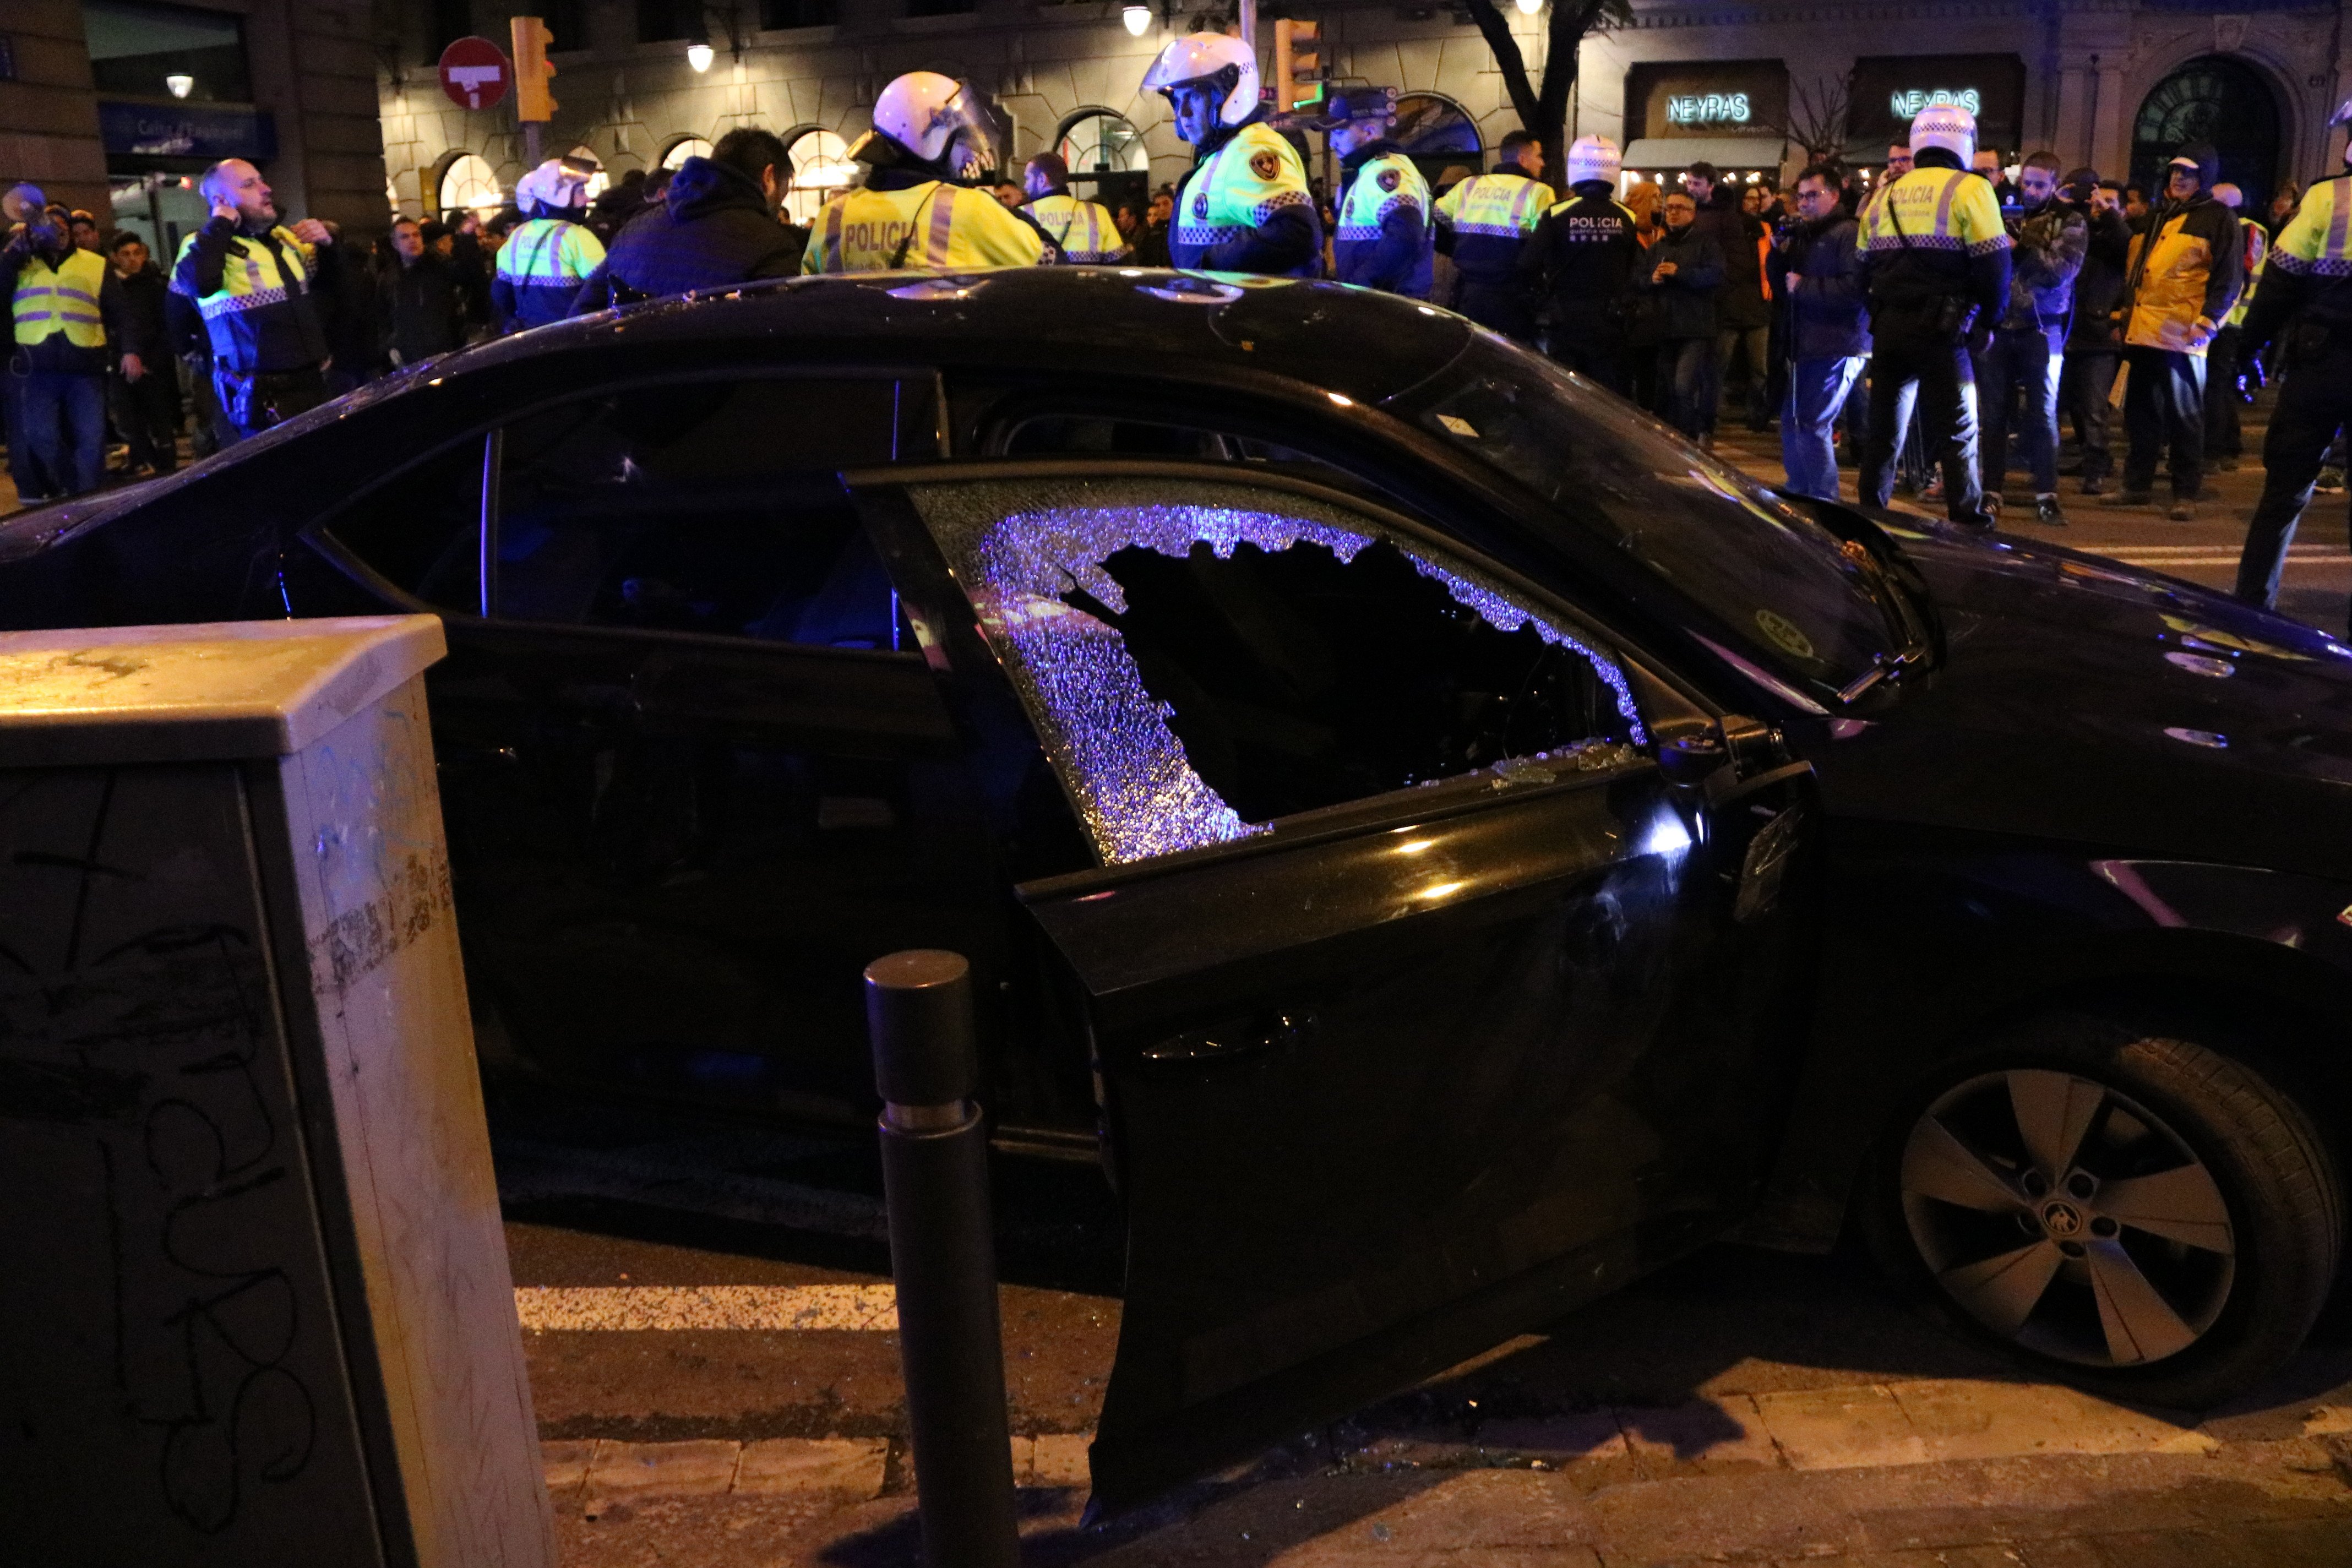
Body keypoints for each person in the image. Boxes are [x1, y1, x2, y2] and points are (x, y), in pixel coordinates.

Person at [1854, 101, 2012, 530]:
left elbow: (1861, 267)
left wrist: (1881, 312)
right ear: (1963, 142)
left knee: (1884, 433)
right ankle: (1968, 522)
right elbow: (1995, 268)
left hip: (1888, 330)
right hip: (1944, 332)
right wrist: (1987, 324)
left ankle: (1870, 518)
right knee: (1959, 431)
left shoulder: (1885, 194)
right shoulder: (1971, 189)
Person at [2233, 99, 2352, 622]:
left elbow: (2279, 286)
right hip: (2323, 360)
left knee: (2283, 493)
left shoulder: (2330, 198)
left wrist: (2245, 349)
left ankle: (2251, 616)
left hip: (2322, 364)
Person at [2104, 143, 2242, 520]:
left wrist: (2210, 321)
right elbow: (2136, 271)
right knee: (2141, 413)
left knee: (2185, 417)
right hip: (2144, 330)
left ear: (2205, 178)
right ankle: (2137, 485)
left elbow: (2230, 277)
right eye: (2175, 171)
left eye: (2189, 173)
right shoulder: (2158, 216)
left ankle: (2185, 491)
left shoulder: (2217, 217)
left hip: (2183, 334)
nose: (2179, 178)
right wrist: (2123, 315)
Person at [799, 77, 1046, 274]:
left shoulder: (832, 217)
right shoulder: (967, 208)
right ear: (930, 141)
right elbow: (1047, 259)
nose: (969, 157)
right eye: (961, 142)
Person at [170, 157, 339, 439]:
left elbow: (332, 292)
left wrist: (331, 247)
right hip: (258, 399)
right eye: (250, 184)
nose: (266, 189)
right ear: (221, 199)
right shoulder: (201, 244)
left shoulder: (285, 239)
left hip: (312, 385)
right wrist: (221, 223)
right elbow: (197, 286)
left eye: (262, 180)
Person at [1970, 151, 2084, 525]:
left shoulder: (2070, 221)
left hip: (2042, 326)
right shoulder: (2000, 212)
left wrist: (2021, 250)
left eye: (2040, 184)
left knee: (2042, 413)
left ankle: (2047, 493)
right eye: (2028, 183)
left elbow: (2060, 272)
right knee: (1995, 413)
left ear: (2055, 184)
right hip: (2001, 324)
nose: (2032, 190)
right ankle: (1991, 490)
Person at [1145, 34, 1319, 277]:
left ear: (1230, 95)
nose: (1182, 113)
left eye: (1194, 96)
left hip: (1247, 311)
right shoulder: (1224, 153)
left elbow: (1297, 230)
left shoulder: (1252, 150)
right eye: (1178, 100)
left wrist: (1211, 268)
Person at [579, 127, 807, 304]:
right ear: (769, 178)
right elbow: (775, 338)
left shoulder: (634, 229)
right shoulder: (773, 245)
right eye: (784, 188)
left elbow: (584, 314)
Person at [3, 201, 128, 498]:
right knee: (39, 435)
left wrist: (130, 350)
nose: (55, 234)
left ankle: (88, 498)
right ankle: (73, 483)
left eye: (61, 229)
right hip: (37, 367)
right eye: (47, 228)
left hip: (85, 365)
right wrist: (12, 254)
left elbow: (120, 313)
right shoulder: (21, 263)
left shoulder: (95, 263)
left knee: (91, 438)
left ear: (70, 233)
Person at [1771, 164, 1868, 500]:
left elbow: (1855, 290)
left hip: (1838, 343)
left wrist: (1806, 285)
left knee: (1813, 424)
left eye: (1814, 195)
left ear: (1835, 195)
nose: (1805, 203)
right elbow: (1783, 288)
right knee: (1792, 420)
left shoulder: (1848, 233)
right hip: (1805, 341)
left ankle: (1823, 499)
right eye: (1800, 197)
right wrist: (1778, 253)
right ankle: (1798, 490)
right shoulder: (1805, 235)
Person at [1521, 134, 1636, 389]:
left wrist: (1540, 299)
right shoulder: (1628, 217)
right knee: (1607, 395)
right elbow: (1636, 270)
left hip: (1565, 320)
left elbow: (1528, 264)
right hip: (1610, 322)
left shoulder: (1557, 214)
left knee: (1566, 391)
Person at [1433, 130, 1547, 337]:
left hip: (1468, 294)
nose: (1543, 163)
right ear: (1523, 159)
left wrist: (1457, 249)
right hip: (1512, 299)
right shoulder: (1539, 192)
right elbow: (1544, 247)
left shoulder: (1469, 185)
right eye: (1539, 156)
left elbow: (1437, 218)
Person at [1686, 161, 1771, 439]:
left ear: (1711, 185)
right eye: (1689, 182)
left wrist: (1717, 288)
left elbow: (1739, 262)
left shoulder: (1727, 218)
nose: (1690, 188)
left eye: (1696, 183)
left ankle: (1709, 422)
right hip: (1700, 301)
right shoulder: (1692, 212)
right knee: (1705, 368)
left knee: (1720, 367)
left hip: (1722, 303)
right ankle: (1698, 421)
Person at [2059, 174, 2131, 496]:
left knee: (2093, 406)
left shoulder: (2117, 238)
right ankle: (2088, 458)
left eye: (2111, 203)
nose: (2100, 206)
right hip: (2068, 330)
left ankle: (2097, 466)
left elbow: (2126, 243)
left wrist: (2110, 215)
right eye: (2096, 200)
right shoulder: (2080, 230)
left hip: (2098, 332)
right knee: (2073, 402)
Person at [1323, 89, 1433, 298]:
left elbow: (1407, 233)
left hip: (1389, 308)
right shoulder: (1369, 171)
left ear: (1370, 132)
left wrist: (1362, 283)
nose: (1331, 143)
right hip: (1384, 304)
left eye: (1339, 133)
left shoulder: (1384, 172)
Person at [1635, 188, 1724, 439]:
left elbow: (1715, 276)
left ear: (1693, 213)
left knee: (1684, 386)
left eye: (1679, 208)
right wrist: (1650, 279)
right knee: (1666, 389)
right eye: (1669, 208)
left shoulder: (1706, 244)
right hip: (1664, 327)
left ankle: (1691, 436)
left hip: (1695, 328)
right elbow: (1638, 280)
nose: (1673, 213)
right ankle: (1675, 438)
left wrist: (1680, 272)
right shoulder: (1658, 246)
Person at [494, 156, 606, 332]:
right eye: (580, 192)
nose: (588, 198)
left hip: (531, 341)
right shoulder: (577, 237)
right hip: (572, 340)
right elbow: (607, 288)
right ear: (559, 196)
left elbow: (500, 294)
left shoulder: (517, 236)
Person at [103, 230, 178, 477]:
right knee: (129, 424)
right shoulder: (109, 289)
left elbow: (166, 328)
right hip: (120, 365)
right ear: (115, 258)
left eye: (137, 253)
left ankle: (167, 472)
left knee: (161, 424)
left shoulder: (157, 287)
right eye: (125, 255)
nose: (133, 259)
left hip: (153, 366)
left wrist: (152, 362)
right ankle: (146, 462)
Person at [2202, 181, 2263, 472]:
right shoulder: (2248, 229)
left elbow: (2237, 274)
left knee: (2216, 385)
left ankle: (2214, 451)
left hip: (2230, 320)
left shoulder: (2243, 230)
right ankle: (2227, 444)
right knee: (2221, 385)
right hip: (2231, 319)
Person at [379, 215, 468, 368]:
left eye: (416, 235)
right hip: (408, 360)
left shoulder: (439, 268)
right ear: (395, 244)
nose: (413, 240)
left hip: (443, 356)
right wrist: (391, 346)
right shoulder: (389, 279)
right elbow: (383, 318)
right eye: (405, 237)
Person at [1022, 153, 1129, 264]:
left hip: (1042, 282)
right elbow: (1118, 262)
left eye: (1028, 179)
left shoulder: (1023, 214)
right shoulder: (1098, 213)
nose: (1025, 186)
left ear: (1042, 180)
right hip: (1088, 282)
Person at [1134, 187, 1173, 266]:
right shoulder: (1149, 233)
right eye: (1158, 205)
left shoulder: (1181, 229)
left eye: (1166, 204)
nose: (1162, 208)